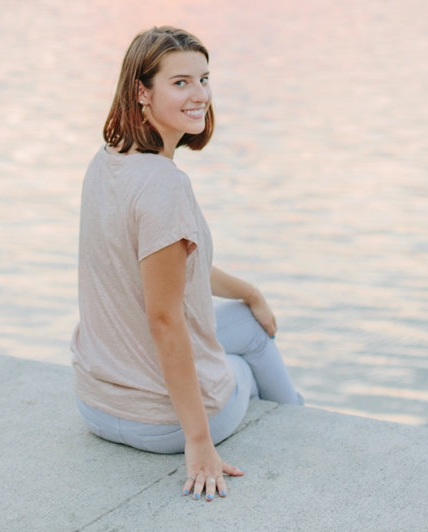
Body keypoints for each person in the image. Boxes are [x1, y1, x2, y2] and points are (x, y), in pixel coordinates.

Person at [71, 25, 303, 501]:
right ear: (142, 91)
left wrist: (251, 292)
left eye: (204, 78)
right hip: (159, 425)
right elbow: (164, 318)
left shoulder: (106, 161)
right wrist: (198, 443)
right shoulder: (165, 186)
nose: (200, 95)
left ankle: (293, 409)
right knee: (242, 360)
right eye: (180, 83)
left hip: (96, 404)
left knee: (247, 322)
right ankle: (300, 422)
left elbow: (172, 271)